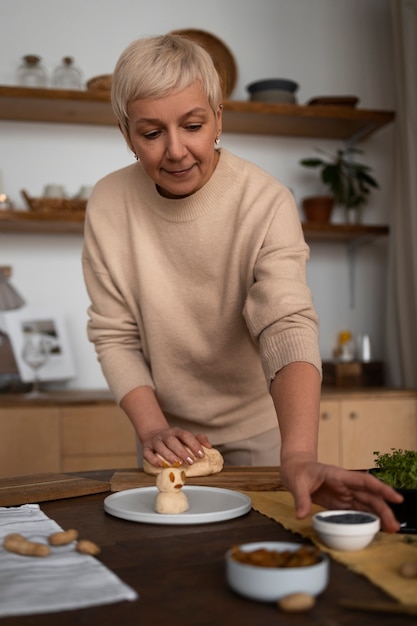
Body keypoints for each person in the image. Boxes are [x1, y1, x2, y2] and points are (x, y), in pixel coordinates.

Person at [82, 33, 402, 532]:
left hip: (262, 431)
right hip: (167, 435)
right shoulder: (107, 203)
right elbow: (114, 333)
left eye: (192, 125)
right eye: (151, 133)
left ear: (218, 118)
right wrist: (154, 429)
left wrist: (298, 454)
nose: (176, 151)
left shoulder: (265, 201)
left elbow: (285, 323)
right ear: (126, 134)